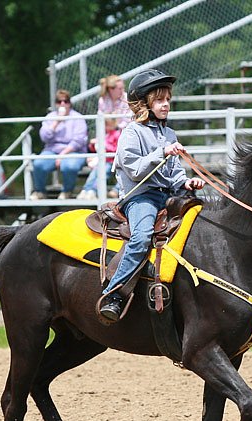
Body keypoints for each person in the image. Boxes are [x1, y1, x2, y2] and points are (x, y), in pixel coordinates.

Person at [99, 69, 205, 322]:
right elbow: (135, 170)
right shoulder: (131, 132)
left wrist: (188, 181)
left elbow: (175, 173)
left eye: (167, 98)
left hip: (168, 196)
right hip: (140, 198)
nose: (165, 104)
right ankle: (113, 293)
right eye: (159, 99)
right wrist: (162, 153)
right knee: (142, 236)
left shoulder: (169, 134)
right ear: (144, 103)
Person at [31, 89, 88, 200]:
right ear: (56, 103)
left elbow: (79, 140)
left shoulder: (78, 117)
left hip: (73, 151)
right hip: (52, 150)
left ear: (69, 103)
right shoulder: (50, 117)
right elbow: (44, 137)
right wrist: (56, 122)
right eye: (59, 101)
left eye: (65, 101)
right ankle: (39, 192)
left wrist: (62, 154)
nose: (62, 104)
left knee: (69, 166)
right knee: (38, 164)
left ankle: (67, 191)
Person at [78, 118, 121, 200]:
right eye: (105, 125)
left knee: (102, 174)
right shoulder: (104, 134)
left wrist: (103, 144)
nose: (106, 127)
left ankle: (93, 191)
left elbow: (116, 149)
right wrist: (92, 145)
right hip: (102, 160)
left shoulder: (116, 134)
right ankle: (86, 190)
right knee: (93, 174)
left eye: (108, 124)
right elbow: (95, 149)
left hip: (111, 161)